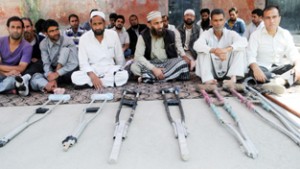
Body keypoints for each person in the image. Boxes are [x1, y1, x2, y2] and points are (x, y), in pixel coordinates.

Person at [247, 5, 300, 94]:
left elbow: (293, 53)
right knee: (253, 72)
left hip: (279, 67)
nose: (271, 21)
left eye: (274, 17)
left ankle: (276, 82)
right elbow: (250, 55)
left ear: (279, 18)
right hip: (262, 68)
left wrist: (298, 67)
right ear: (263, 19)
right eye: (268, 18)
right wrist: (256, 69)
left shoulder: (285, 34)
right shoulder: (255, 35)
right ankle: (283, 81)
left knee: (296, 69)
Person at [71, 11, 128, 89]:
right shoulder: (84, 38)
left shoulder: (113, 35)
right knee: (75, 76)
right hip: (93, 69)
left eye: (100, 23)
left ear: (104, 23)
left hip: (109, 69)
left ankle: (92, 84)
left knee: (124, 75)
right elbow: (83, 62)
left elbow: (119, 57)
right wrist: (92, 75)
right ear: (90, 24)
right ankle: (106, 82)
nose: (97, 27)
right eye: (94, 24)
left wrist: (120, 69)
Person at [130, 11, 190, 83]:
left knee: (182, 63)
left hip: (167, 63)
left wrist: (185, 57)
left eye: (161, 22)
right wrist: (154, 69)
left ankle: (147, 77)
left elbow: (179, 48)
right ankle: (164, 76)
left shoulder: (171, 34)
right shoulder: (143, 36)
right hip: (151, 63)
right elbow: (138, 56)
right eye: (156, 23)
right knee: (134, 67)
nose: (160, 26)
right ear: (149, 25)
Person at [194, 9, 247, 84]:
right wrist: (214, 51)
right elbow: (197, 45)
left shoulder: (231, 33)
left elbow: (244, 42)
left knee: (240, 49)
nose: (218, 23)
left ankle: (233, 77)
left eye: (220, 20)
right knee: (202, 51)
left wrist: (226, 50)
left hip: (228, 70)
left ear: (224, 21)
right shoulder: (206, 33)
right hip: (210, 71)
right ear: (211, 21)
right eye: (215, 20)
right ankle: (208, 80)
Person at [30, 19, 78, 93]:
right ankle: (51, 87)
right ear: (46, 33)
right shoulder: (43, 44)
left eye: (56, 30)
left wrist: (57, 73)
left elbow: (74, 63)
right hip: (53, 70)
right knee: (35, 78)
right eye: (51, 31)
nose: (55, 33)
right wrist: (51, 75)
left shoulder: (68, 41)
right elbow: (46, 63)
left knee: (65, 50)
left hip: (67, 71)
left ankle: (52, 84)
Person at [0, 16, 32, 96]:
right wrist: (5, 73)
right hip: (1, 72)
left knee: (11, 82)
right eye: (13, 27)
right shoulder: (0, 41)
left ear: (22, 29)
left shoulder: (27, 46)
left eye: (18, 27)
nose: (15, 30)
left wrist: (9, 73)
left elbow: (21, 68)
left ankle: (8, 88)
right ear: (8, 28)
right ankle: (8, 90)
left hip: (15, 74)